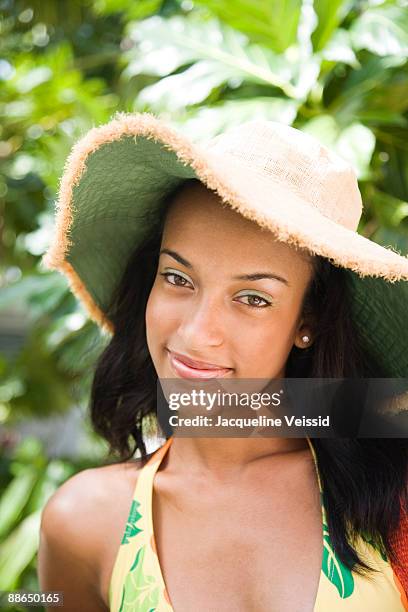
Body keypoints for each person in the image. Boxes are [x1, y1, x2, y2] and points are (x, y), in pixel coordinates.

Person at [37, 113, 408, 611]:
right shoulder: (83, 522)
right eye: (178, 278)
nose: (196, 333)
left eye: (253, 298)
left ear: (308, 321)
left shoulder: (388, 496)